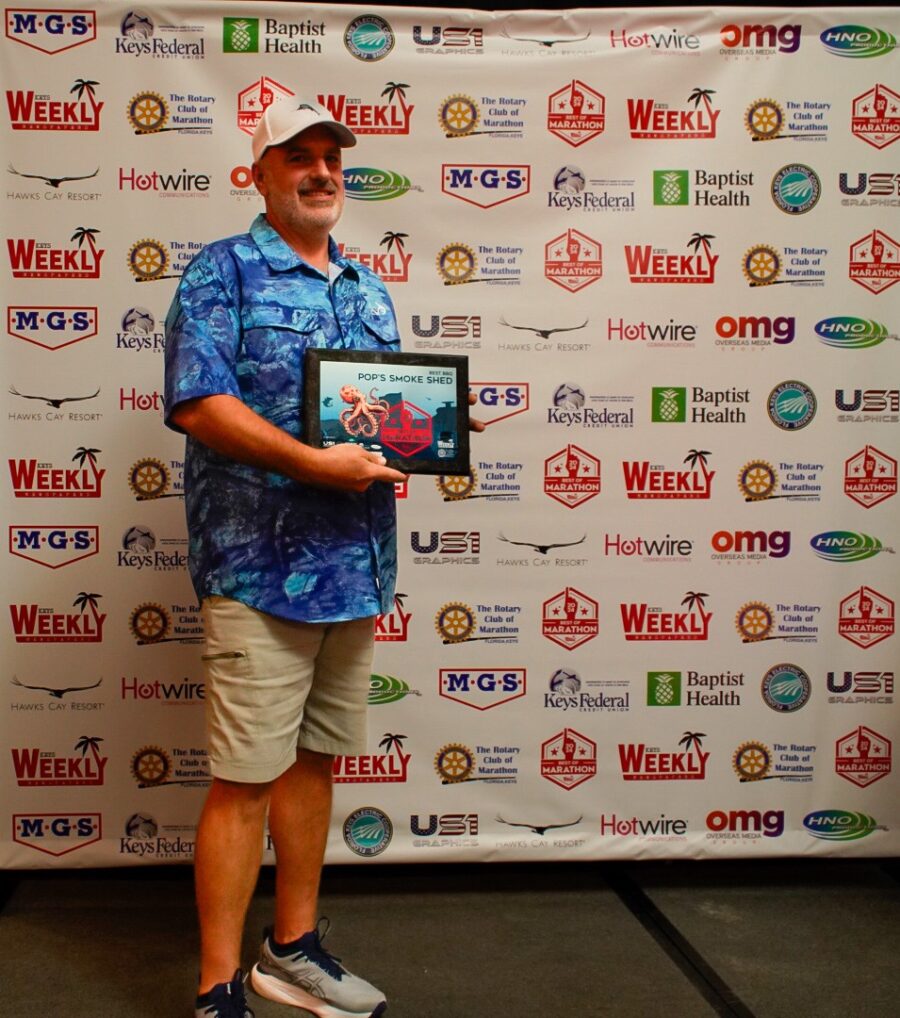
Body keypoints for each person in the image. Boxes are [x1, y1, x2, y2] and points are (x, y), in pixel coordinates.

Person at [164, 98, 413, 1018]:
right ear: (258, 176)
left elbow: (378, 418)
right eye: (297, 158)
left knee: (314, 766)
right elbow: (200, 403)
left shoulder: (369, 288)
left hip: (355, 566)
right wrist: (316, 464)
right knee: (243, 778)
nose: (320, 172)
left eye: (331, 160)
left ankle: (292, 948)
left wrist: (412, 452)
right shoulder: (219, 272)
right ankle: (216, 987)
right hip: (257, 569)